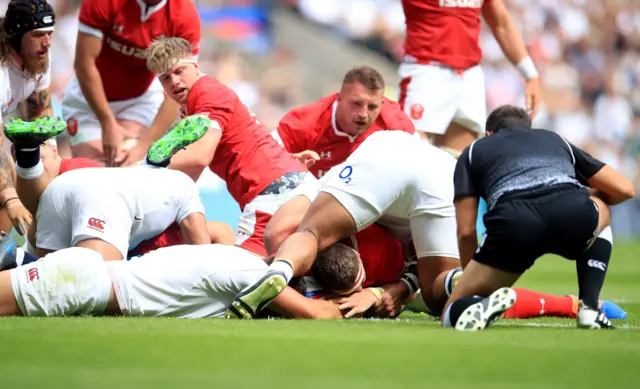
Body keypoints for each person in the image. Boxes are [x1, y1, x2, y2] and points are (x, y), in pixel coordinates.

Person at [226, 130, 461, 319]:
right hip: (439, 169)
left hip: (386, 158)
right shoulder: (322, 190)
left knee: (310, 232)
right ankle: (471, 276)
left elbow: (277, 232)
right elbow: (277, 232)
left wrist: (381, 291)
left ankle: (281, 270)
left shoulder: (322, 193)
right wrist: (387, 291)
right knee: (436, 291)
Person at [443, 105, 635, 331]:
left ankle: (479, 302)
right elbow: (625, 189)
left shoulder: (474, 150)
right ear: (529, 129)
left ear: (488, 134)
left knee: (450, 311)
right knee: (600, 205)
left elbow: (465, 231)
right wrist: (587, 197)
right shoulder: (554, 139)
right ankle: (590, 309)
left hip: (514, 227)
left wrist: (470, 275)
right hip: (571, 215)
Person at [141, 37, 316, 257]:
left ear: (195, 66)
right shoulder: (191, 106)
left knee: (239, 278)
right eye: (166, 78)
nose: (174, 81)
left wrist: (145, 168)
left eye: (179, 71)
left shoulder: (207, 95)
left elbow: (200, 157)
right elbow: (190, 173)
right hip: (283, 185)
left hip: (272, 193)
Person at [3, 115, 212, 261]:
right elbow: (205, 253)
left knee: (44, 279)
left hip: (63, 193)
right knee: (95, 282)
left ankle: (16, 258)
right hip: (99, 196)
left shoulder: (129, 176)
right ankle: (16, 258)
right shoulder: (185, 187)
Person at [0, 243, 356, 319]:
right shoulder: (254, 275)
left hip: (85, 277)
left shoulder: (238, 256)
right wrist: (364, 297)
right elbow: (318, 314)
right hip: (78, 283)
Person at [63, 0, 201, 165]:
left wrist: (144, 145)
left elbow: (181, 88)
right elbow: (84, 64)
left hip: (140, 100)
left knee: (130, 169)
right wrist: (108, 123)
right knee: (91, 171)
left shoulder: (184, 15)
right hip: (87, 99)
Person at [398, 0, 541, 157]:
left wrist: (530, 74)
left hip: (469, 75)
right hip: (426, 71)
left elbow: (501, 23)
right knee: (412, 154)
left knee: (460, 162)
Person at [272, 66, 415, 178]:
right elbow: (263, 160)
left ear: (382, 104)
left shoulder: (397, 126)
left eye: (372, 107)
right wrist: (288, 166)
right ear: (339, 98)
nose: (363, 114)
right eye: (356, 104)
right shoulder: (303, 124)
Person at [0, 0, 57, 236]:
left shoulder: (39, 57)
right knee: (7, 190)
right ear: (14, 36)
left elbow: (40, 111)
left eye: (50, 34)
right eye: (37, 35)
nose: (47, 43)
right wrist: (11, 198)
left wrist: (49, 150)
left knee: (44, 162)